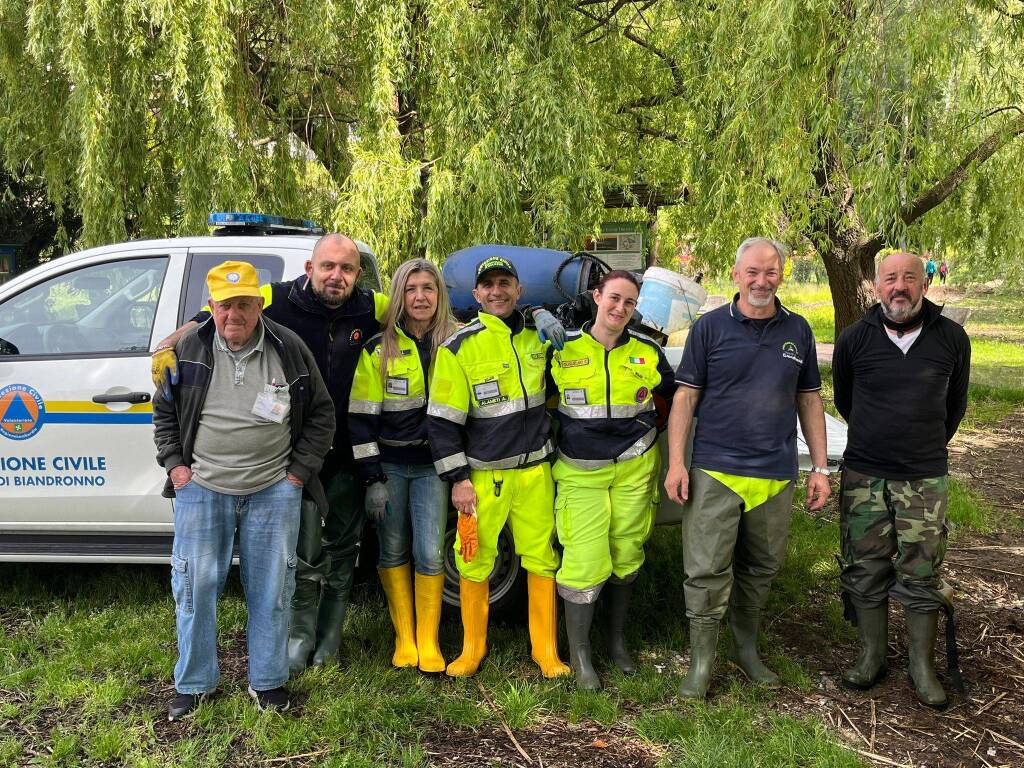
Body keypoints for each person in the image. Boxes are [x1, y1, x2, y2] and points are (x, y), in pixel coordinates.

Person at [153, 234, 388, 674]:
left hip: (342, 450)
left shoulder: (371, 306)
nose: (337, 276)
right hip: (278, 460)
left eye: (347, 268)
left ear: (357, 274)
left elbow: (423, 311)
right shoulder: (271, 298)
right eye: (327, 266)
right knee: (294, 562)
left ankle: (323, 644)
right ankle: (291, 645)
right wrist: (166, 347)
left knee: (337, 556)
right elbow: (215, 314)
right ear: (309, 269)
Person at [153, 261, 335, 720]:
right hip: (202, 488)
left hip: (274, 488)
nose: (235, 314)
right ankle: (194, 684)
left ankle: (269, 681)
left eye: (244, 304)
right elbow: (164, 416)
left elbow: (320, 414)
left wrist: (296, 475)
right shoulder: (187, 349)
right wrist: (177, 469)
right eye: (225, 304)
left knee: (273, 589)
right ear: (210, 307)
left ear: (260, 304)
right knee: (194, 587)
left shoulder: (288, 348)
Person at [664, 237, 830, 700]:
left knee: (761, 567)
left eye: (771, 272)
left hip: (775, 474)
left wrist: (820, 468)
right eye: (752, 272)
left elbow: (809, 399)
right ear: (735, 275)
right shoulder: (709, 328)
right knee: (705, 570)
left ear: (782, 275)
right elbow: (686, 397)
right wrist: (677, 463)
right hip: (716, 469)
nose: (761, 281)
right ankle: (701, 663)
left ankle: (745, 648)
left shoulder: (798, 330)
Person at [832, 251, 970, 709]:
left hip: (924, 478)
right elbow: (846, 400)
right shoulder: (854, 338)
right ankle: (872, 656)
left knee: (922, 569)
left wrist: (920, 446)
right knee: (864, 565)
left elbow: (953, 409)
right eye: (889, 278)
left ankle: (921, 666)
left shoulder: (952, 338)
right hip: (864, 475)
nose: (899, 286)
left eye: (909, 278)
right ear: (875, 286)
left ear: (925, 284)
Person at [427, 255, 570, 679]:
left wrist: (543, 314)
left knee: (542, 558)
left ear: (519, 290)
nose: (497, 291)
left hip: (535, 474)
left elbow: (585, 320)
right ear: (476, 295)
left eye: (505, 283)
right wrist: (457, 480)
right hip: (483, 478)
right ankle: (472, 650)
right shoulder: (460, 347)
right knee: (472, 558)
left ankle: (546, 652)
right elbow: (441, 421)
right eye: (487, 285)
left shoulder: (539, 338)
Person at [549, 270, 676, 690]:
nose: (620, 309)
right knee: (584, 562)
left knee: (626, 552)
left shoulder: (647, 353)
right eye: (614, 298)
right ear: (597, 296)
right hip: (580, 472)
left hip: (635, 471)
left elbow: (676, 399)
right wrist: (534, 315)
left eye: (630, 303)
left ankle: (616, 641)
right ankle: (580, 654)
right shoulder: (561, 349)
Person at [348, 259, 458, 672]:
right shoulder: (379, 348)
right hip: (390, 466)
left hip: (435, 467)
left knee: (430, 551)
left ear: (440, 294)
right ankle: (404, 639)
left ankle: (429, 642)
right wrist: (372, 478)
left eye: (428, 288)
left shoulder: (459, 342)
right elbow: (360, 419)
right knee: (392, 548)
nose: (420, 297)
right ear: (398, 295)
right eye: (411, 289)